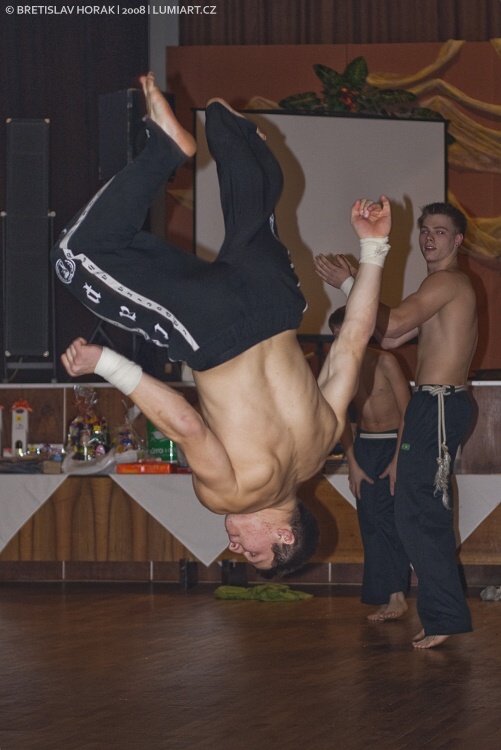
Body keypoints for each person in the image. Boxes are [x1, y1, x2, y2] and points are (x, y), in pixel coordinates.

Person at [53, 72, 393, 577]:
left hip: (276, 304)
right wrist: (105, 362)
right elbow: (186, 424)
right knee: (75, 257)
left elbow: (353, 342)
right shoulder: (232, 494)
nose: (234, 547)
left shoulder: (322, 444)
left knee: (252, 213)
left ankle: (236, 139)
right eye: (252, 552)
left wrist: (374, 246)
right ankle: (165, 150)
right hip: (213, 330)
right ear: (284, 534)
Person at [314, 201, 478, 647]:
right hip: (431, 405)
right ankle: (441, 614)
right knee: (414, 513)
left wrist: (349, 281)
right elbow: (388, 335)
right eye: (424, 230)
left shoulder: (447, 281)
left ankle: (444, 617)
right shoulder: (437, 285)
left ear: (457, 240)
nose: (429, 237)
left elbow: (395, 322)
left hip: (439, 404)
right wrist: (355, 285)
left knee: (421, 514)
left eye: (440, 231)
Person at [328, 306, 411, 621]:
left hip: (392, 444)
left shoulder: (386, 361)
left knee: (388, 520)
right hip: (363, 446)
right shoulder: (340, 365)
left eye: (347, 333)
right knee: (370, 522)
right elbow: (338, 417)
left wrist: (398, 459)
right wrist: (351, 462)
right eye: (336, 336)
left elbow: (407, 412)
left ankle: (397, 596)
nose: (343, 341)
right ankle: (385, 596)